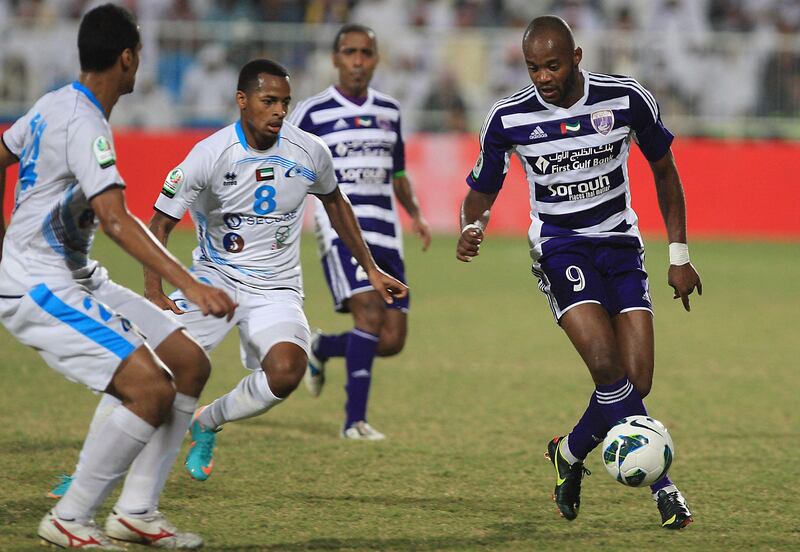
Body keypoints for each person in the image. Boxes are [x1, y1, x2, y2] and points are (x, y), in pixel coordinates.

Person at [48, 57, 408, 487]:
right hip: (214, 280)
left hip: (277, 287)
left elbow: (336, 203)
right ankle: (85, 474)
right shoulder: (210, 154)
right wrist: (153, 290)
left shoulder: (310, 150)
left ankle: (209, 421)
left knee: (287, 371)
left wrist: (369, 268)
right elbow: (161, 220)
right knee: (148, 368)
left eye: (285, 103)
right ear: (242, 101)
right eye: (268, 101)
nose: (279, 111)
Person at [0, 4, 236, 549]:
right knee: (150, 388)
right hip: (41, 285)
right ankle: (69, 516)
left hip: (75, 274)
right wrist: (190, 282)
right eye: (140, 55)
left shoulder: (55, 102)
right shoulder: (84, 123)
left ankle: (135, 512)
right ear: (127, 59)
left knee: (188, 363)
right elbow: (114, 219)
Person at [456, 15, 701, 529]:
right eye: (532, 67)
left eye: (552, 65)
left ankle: (568, 451)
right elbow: (483, 186)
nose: (542, 77)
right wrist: (472, 224)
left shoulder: (627, 99)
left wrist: (678, 256)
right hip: (560, 249)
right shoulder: (508, 117)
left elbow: (665, 170)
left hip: (620, 246)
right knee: (607, 367)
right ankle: (665, 487)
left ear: (576, 58)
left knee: (637, 379)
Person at [287, 24, 431, 440]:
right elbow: (284, 165)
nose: (357, 61)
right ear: (335, 58)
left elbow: (398, 172)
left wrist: (417, 214)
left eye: (365, 53)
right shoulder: (312, 113)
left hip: (387, 234)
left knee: (391, 339)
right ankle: (355, 422)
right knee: (368, 313)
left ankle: (324, 347)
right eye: (349, 52)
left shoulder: (391, 111)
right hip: (342, 233)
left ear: (376, 58)